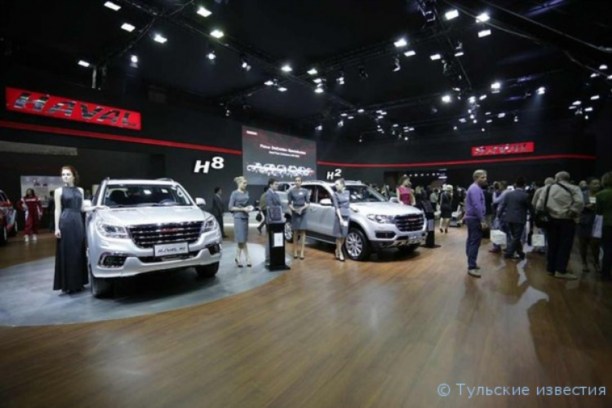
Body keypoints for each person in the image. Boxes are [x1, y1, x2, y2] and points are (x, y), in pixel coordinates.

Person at [536, 171, 584, 280]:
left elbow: (539, 205)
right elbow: (580, 202)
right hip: (567, 220)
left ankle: (551, 268)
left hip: (551, 221)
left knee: (552, 244)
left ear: (556, 178)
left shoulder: (547, 188)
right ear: (568, 178)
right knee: (564, 246)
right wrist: (572, 211)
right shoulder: (574, 188)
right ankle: (560, 270)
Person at [53, 165, 88, 294]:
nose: (65, 177)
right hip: (66, 222)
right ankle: (68, 284)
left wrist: (96, 208)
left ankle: (78, 282)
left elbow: (82, 208)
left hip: (78, 222)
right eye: (63, 175)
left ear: (74, 176)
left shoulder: (80, 190)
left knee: (78, 252)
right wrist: (57, 228)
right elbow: (57, 210)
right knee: (67, 253)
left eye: (68, 174)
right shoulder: (58, 191)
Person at [497, 177, 533, 260]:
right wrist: (533, 218)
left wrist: (498, 215)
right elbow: (530, 208)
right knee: (517, 237)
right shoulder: (525, 195)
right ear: (524, 185)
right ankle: (509, 253)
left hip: (509, 218)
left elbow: (502, 206)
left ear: (515, 185)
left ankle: (520, 252)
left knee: (515, 237)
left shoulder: (509, 194)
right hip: (520, 219)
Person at [464, 169, 488, 278]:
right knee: (474, 242)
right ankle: (471, 266)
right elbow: (477, 205)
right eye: (482, 177)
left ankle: (471, 261)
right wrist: (482, 220)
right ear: (476, 178)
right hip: (475, 219)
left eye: (485, 177)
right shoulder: (475, 189)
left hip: (472, 218)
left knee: (471, 240)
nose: (485, 179)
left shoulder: (474, 188)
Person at [228, 176, 253, 267]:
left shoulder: (246, 192)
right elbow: (230, 207)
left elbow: (248, 204)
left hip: (246, 217)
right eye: (244, 183)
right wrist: (242, 209)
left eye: (246, 183)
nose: (246, 185)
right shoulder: (234, 193)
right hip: (238, 218)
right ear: (239, 183)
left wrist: (249, 207)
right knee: (241, 239)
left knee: (243, 239)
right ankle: (247, 258)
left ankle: (238, 257)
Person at [578, 177, 601, 273]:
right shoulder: (582, 194)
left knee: (596, 244)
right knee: (583, 244)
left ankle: (596, 262)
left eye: (598, 183)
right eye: (594, 183)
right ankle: (584, 263)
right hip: (584, 221)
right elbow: (577, 206)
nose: (597, 185)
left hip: (597, 221)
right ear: (588, 185)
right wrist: (585, 207)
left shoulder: (601, 194)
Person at [288, 176, 310, 259]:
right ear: (294, 182)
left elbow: (308, 203)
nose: (297, 182)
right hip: (295, 212)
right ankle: (295, 251)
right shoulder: (291, 191)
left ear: (301, 182)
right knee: (295, 232)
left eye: (299, 180)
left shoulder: (305, 191)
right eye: (296, 180)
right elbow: (289, 203)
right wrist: (294, 209)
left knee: (303, 232)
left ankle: (302, 252)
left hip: (303, 212)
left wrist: (302, 209)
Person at [595, 171, 612, 280]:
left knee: (607, 249)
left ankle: (606, 274)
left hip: (607, 224)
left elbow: (599, 212)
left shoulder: (600, 194)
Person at [264, 178, 283, 266]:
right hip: (271, 220)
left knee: (276, 239)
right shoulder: (268, 194)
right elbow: (270, 207)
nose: (277, 185)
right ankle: (268, 258)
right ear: (270, 185)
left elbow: (279, 205)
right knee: (269, 239)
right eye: (276, 184)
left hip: (278, 220)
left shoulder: (276, 194)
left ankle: (276, 257)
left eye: (277, 184)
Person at [332, 178, 350, 262]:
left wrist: (352, 208)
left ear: (342, 185)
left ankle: (337, 250)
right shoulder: (335, 194)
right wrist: (340, 218)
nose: (335, 186)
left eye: (337, 184)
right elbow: (337, 207)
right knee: (339, 236)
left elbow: (348, 204)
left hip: (347, 215)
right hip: (339, 216)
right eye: (335, 184)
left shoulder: (347, 193)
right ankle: (340, 252)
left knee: (344, 235)